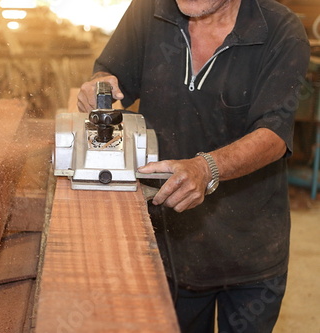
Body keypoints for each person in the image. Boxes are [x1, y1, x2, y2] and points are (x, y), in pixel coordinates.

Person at [77, 0, 310, 332]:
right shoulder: (150, 10)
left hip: (249, 253)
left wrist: (207, 168)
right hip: (169, 246)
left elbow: (273, 133)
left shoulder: (279, 30)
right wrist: (99, 85)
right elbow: (111, 74)